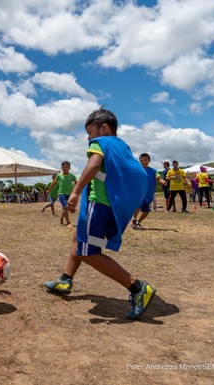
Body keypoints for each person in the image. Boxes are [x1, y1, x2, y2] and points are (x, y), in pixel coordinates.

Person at [43, 108, 156, 320]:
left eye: (89, 131)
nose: (88, 137)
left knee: (87, 252)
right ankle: (66, 279)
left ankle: (138, 287)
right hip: (108, 205)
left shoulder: (101, 143)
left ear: (103, 128)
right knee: (79, 237)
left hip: (98, 203)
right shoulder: (123, 146)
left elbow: (94, 164)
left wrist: (75, 192)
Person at [131, 153, 167, 229]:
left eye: (145, 160)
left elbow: (158, 178)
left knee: (147, 211)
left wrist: (162, 181)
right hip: (139, 193)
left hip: (149, 193)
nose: (144, 162)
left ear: (149, 161)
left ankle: (138, 222)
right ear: (139, 161)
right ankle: (134, 219)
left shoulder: (153, 171)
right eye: (142, 160)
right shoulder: (137, 170)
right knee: (138, 206)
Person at [47, 161, 77, 226]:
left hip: (69, 195)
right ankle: (68, 223)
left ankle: (61, 218)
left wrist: (78, 191)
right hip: (61, 194)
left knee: (65, 208)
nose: (65, 168)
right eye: (64, 167)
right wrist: (49, 190)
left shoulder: (72, 176)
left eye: (67, 167)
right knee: (66, 207)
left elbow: (76, 183)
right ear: (61, 168)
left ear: (70, 168)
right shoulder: (59, 176)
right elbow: (53, 183)